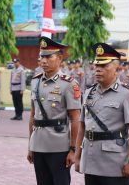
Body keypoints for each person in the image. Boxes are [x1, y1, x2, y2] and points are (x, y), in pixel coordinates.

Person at [75, 43, 129, 185]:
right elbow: (82, 126)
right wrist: (77, 156)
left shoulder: (127, 94)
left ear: (117, 69)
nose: (98, 70)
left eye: (104, 66)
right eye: (97, 66)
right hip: (91, 160)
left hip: (114, 164)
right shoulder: (89, 93)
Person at [27, 36, 81, 185]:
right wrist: (30, 146)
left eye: (48, 57)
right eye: (41, 57)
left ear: (59, 58)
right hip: (38, 144)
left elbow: (75, 119)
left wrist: (73, 149)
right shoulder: (35, 81)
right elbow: (33, 115)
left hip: (59, 146)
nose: (43, 61)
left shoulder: (69, 84)